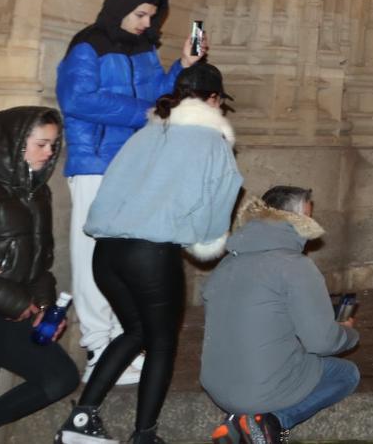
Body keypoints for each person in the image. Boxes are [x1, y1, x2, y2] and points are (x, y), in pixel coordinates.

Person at [61, 64, 242, 444]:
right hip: (150, 255)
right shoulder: (212, 141)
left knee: (135, 331)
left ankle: (81, 419)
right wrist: (206, 240)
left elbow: (113, 184)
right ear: (213, 100)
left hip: (106, 252)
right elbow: (218, 202)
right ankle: (144, 435)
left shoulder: (147, 132)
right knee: (161, 342)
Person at [56, 0, 204, 384]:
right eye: (140, 15)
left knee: (126, 259)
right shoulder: (89, 45)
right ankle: (97, 347)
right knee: (91, 258)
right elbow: (77, 99)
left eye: (151, 17)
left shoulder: (143, 50)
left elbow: (157, 93)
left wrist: (181, 67)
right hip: (96, 163)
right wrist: (141, 113)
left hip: (133, 164)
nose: (146, 24)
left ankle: (124, 344)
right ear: (121, 7)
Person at [0, 108, 80, 444]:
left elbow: (40, 263)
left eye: (53, 144)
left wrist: (44, 305)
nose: (50, 152)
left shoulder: (38, 195)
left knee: (60, 378)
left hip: (12, 311)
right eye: (41, 144)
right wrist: (19, 302)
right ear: (13, 146)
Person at [201, 187, 360, 444]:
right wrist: (349, 332)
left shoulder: (227, 264)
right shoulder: (294, 266)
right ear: (295, 219)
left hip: (216, 386)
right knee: (346, 374)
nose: (312, 222)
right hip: (259, 392)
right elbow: (323, 343)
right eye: (308, 215)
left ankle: (238, 422)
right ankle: (271, 423)